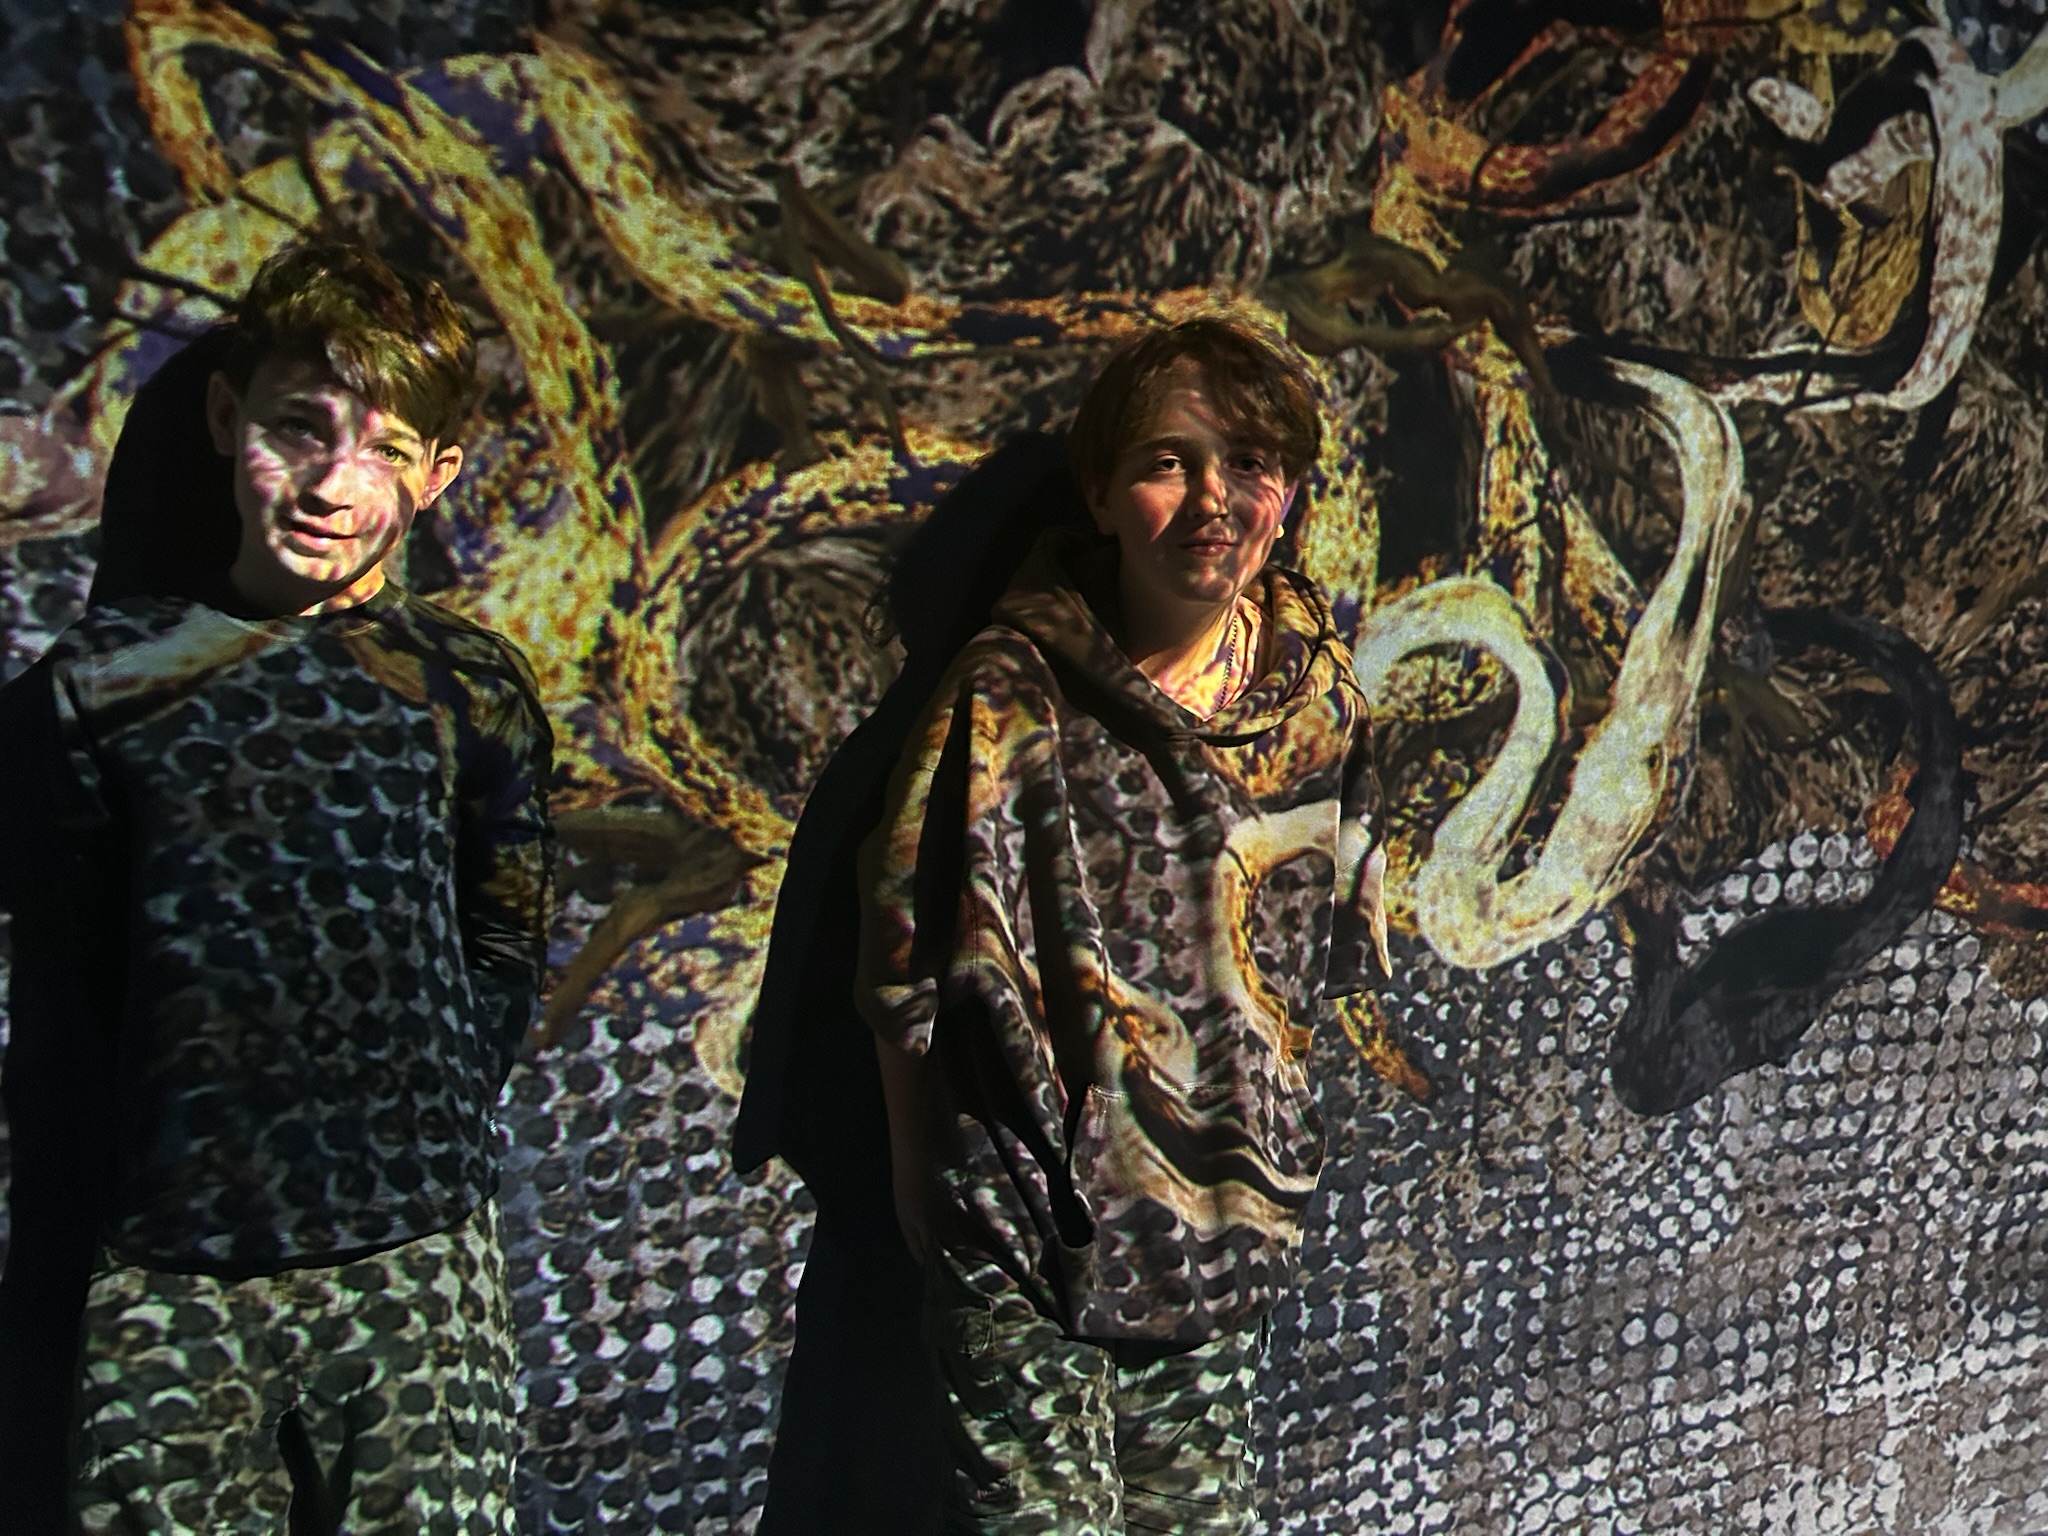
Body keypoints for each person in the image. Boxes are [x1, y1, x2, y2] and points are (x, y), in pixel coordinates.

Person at [0, 235, 553, 1536]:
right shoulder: (102, 684)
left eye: (384, 447)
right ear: (223, 418)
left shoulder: (468, 684)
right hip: (174, 1270)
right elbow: (73, 980)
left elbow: (504, 943)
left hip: (418, 1262)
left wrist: (416, 1130)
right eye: (300, 427)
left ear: (438, 474)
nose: (331, 482)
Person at [856, 316, 1392, 1534]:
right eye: (1165, 462)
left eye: (1247, 464)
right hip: (1025, 1230)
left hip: (1218, 1234)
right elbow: (901, 949)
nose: (1212, 498)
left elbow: (1326, 971)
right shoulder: (1009, 693)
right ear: (1098, 493)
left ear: (1287, 497)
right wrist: (914, 1168)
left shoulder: (1318, 706)